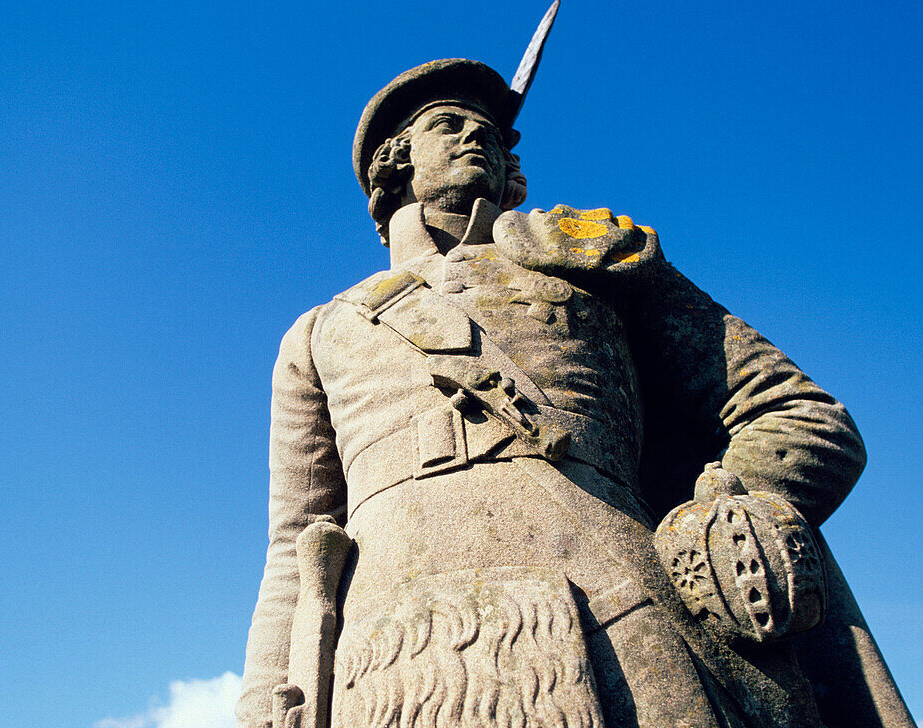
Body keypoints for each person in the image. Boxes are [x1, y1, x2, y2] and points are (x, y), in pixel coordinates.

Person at [236, 59, 913, 728]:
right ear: (397, 164)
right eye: (448, 125)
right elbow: (295, 545)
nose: (478, 139)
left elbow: (800, 414)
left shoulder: (581, 258)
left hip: (623, 618)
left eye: (493, 136)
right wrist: (264, 701)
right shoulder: (319, 332)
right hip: (392, 661)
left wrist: (718, 516)